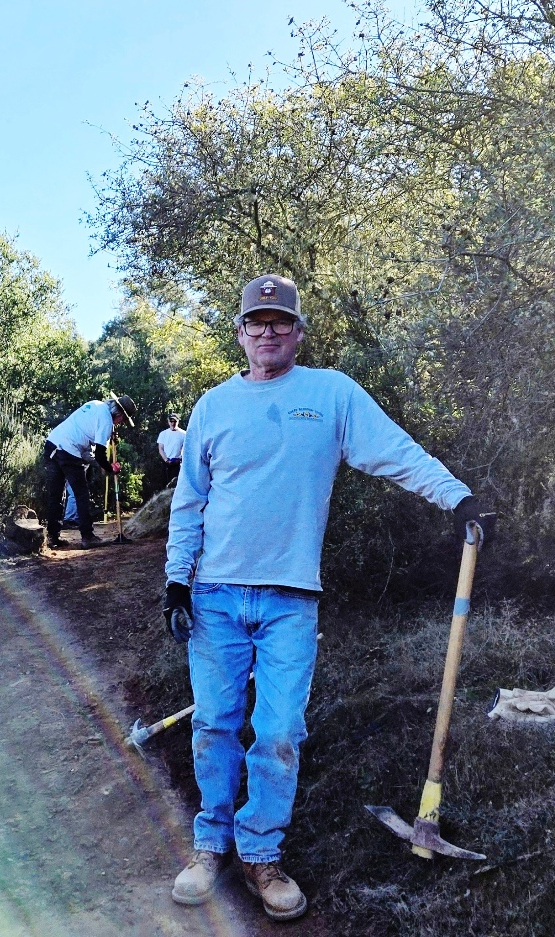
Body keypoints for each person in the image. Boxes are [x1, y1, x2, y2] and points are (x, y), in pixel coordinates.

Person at [163, 274, 493, 921]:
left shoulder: (331, 394)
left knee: (280, 730)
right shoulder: (213, 406)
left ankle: (261, 854)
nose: (268, 331)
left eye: (279, 321)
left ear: (298, 331)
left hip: (291, 599)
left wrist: (457, 496)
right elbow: (190, 500)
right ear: (240, 332)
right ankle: (210, 846)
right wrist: (177, 579)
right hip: (215, 595)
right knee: (213, 723)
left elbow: (395, 452)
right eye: (256, 322)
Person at [44, 392, 137, 550]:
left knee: (56, 494)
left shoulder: (95, 405)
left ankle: (53, 537)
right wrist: (110, 468)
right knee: (81, 494)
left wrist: (101, 465)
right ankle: (87, 537)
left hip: (52, 444)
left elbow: (87, 451)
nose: (121, 424)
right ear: (119, 414)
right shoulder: (107, 421)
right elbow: (100, 454)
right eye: (123, 420)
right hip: (67, 450)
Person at [157, 413, 186, 485]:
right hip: (166, 463)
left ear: (178, 421)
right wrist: (166, 460)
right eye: (171, 421)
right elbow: (160, 448)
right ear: (168, 422)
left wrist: (180, 459)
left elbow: (185, 449)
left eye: (175, 421)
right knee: (165, 485)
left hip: (177, 464)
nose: (173, 423)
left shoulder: (184, 434)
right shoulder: (163, 434)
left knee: (176, 485)